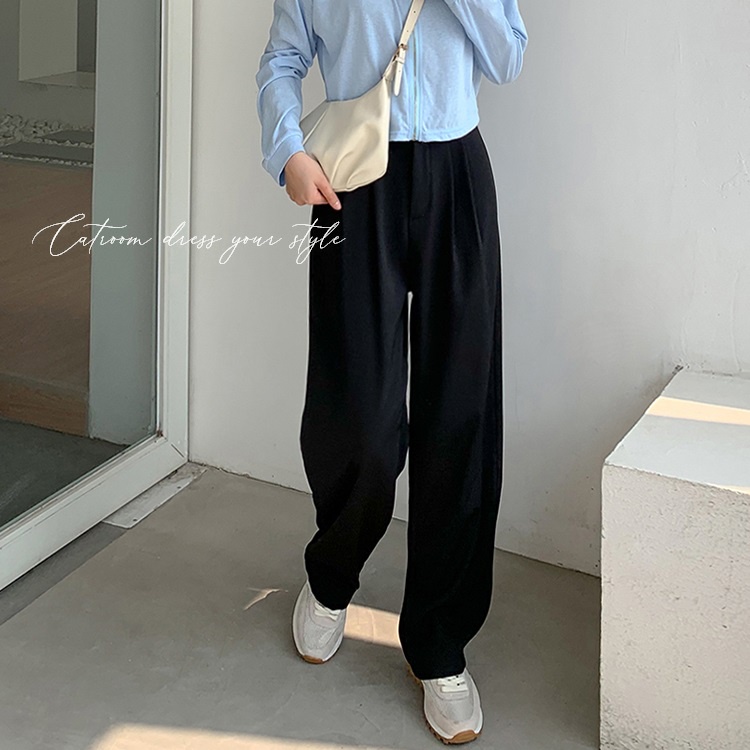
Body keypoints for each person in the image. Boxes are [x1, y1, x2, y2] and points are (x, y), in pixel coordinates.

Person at [255, 0, 528, 743]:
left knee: (461, 413)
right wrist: (288, 150)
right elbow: (283, 57)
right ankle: (331, 575)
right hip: (352, 176)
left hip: (457, 176)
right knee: (359, 418)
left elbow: (507, 58)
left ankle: (439, 643)